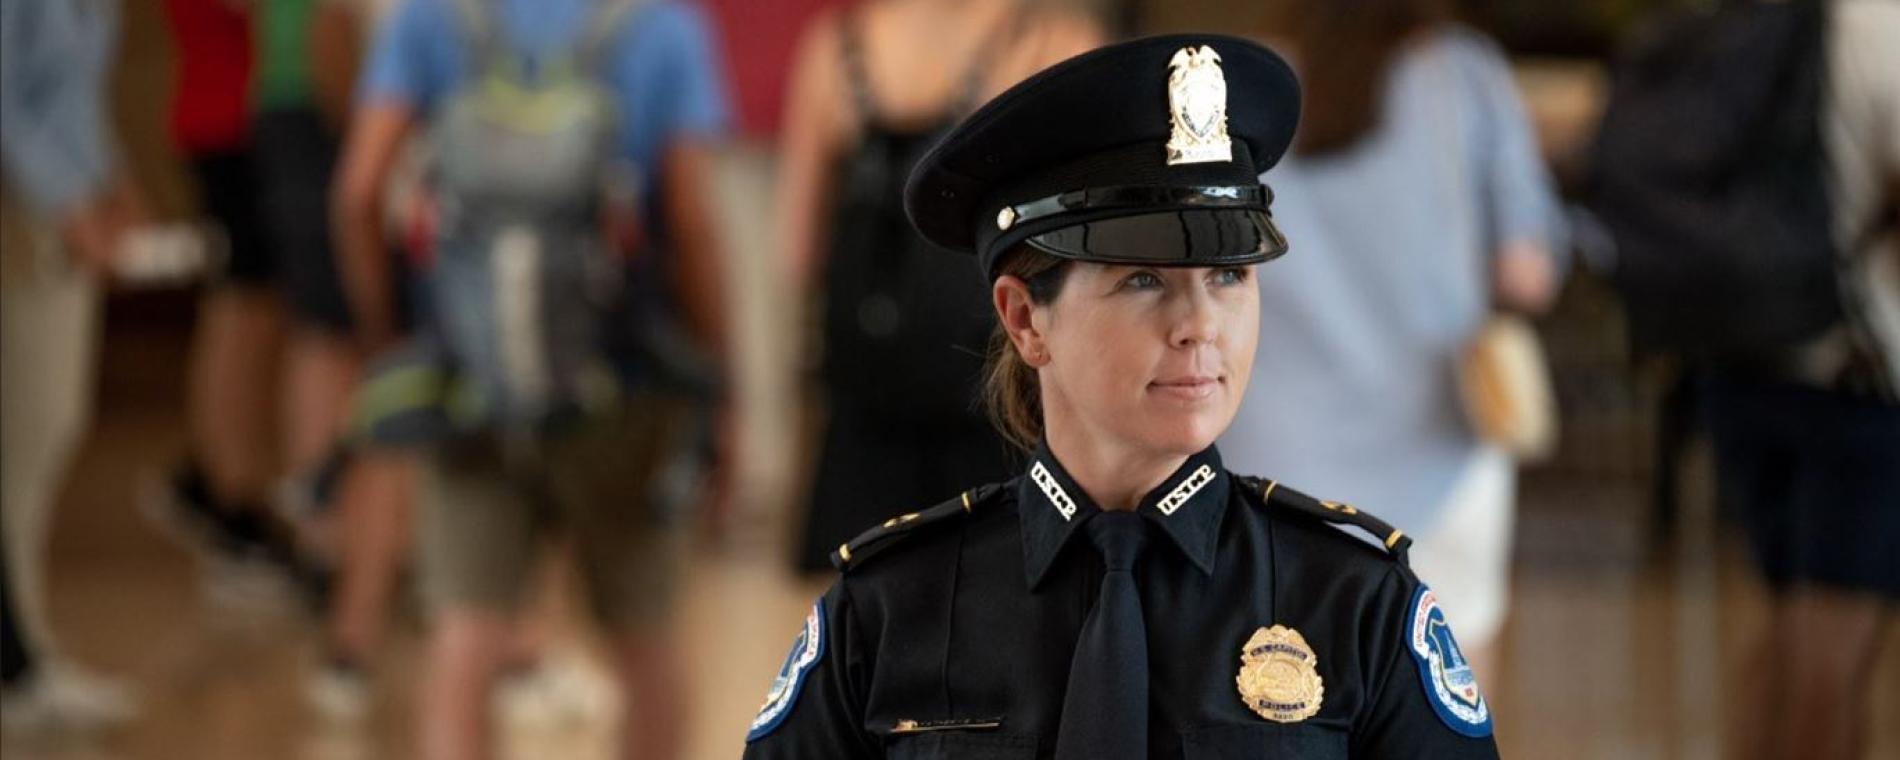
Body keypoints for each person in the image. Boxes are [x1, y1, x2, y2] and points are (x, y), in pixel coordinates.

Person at [743, 35, 1500, 758]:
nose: (1201, 325)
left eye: (1229, 275)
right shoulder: (890, 611)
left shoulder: (1354, 603)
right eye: (1143, 280)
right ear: (1023, 318)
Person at [334, 0, 731, 756]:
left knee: (466, 634)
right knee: (644, 637)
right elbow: (691, 220)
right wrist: (719, 377)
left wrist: (393, 342)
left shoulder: (431, 19)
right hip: (622, 388)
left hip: (465, 381)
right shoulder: (661, 26)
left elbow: (358, 191)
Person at [1217, 0, 1566, 686]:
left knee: (1278, 701)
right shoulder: (1461, 76)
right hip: (1439, 460)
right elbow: (1525, 272)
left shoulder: (1242, 85)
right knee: (1445, 703)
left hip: (1271, 466)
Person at [775, 0, 1101, 573]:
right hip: (998, 405)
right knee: (1001, 605)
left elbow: (798, 253)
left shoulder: (835, 51)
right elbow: (1087, 255)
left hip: (866, 407)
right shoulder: (1053, 47)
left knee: (861, 610)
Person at [1705, 2, 1899, 757]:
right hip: (1858, 371)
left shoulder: (1748, 19)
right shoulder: (1883, 28)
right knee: (1836, 645)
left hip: (1740, 356)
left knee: (1787, 624)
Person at [0, 0, 144, 735]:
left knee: (46, 427)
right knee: (21, 434)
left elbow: (73, 90)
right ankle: (16, 662)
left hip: (61, 209)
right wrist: (67, 201)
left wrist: (111, 177)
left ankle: (22, 649)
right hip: (21, 213)